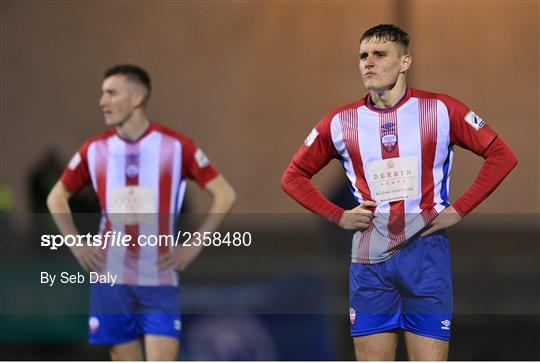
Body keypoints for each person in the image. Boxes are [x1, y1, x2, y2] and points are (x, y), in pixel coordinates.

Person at [281, 24, 517, 360]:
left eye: (379, 54)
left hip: (425, 255)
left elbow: (502, 155)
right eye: (363, 56)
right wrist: (338, 215)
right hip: (370, 261)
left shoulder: (440, 110)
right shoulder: (340, 122)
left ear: (405, 62)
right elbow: (293, 176)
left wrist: (459, 209)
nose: (369, 62)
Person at [47, 64, 236, 360]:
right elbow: (56, 197)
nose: (102, 102)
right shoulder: (94, 149)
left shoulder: (176, 146)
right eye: (102, 94)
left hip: (158, 278)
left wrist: (194, 245)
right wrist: (76, 243)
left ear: (137, 98)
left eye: (111, 93)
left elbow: (225, 194)